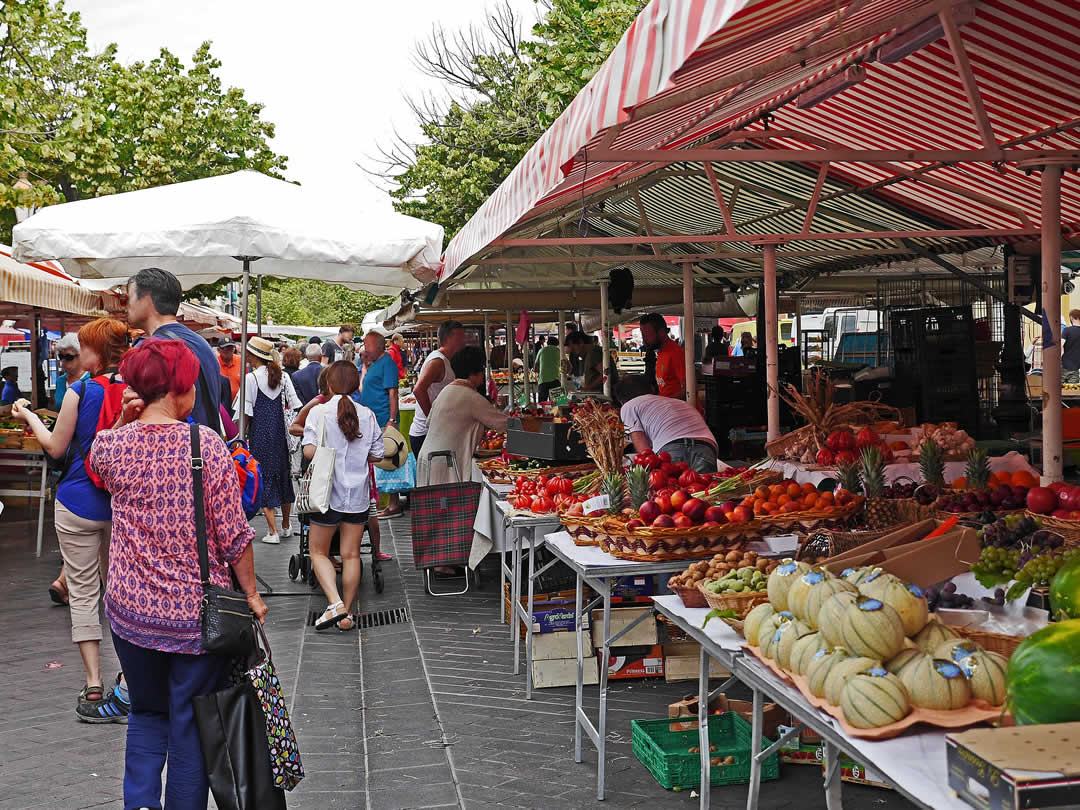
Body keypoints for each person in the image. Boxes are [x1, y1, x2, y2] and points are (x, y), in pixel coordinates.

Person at [89, 339, 266, 810]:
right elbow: (234, 534)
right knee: (190, 724)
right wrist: (251, 594)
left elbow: (96, 465)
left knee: (146, 713)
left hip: (130, 613)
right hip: (195, 618)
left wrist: (125, 421)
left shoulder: (112, 445)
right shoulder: (204, 444)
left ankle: (140, 803)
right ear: (178, 389)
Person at [14, 317, 132, 723]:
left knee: (83, 594)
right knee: (121, 593)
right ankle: (127, 678)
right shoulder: (140, 392)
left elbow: (56, 448)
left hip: (77, 503)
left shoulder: (79, 391)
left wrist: (29, 417)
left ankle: (94, 682)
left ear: (95, 351)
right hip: (123, 506)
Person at [302, 361, 385, 632]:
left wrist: (330, 452)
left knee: (318, 552)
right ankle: (347, 614)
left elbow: (308, 452)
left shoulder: (318, 412)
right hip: (357, 494)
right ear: (356, 385)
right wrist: (357, 454)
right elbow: (379, 454)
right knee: (351, 555)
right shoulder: (368, 414)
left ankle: (335, 602)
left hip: (327, 494)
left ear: (329, 384)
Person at [126, 267, 220, 430]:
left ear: (147, 300)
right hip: (202, 447)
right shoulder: (202, 344)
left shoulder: (152, 351)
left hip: (170, 449)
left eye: (129, 298)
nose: (126, 306)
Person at [236, 336, 302, 545]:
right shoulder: (283, 377)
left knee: (263, 477)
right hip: (281, 435)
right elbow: (294, 405)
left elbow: (245, 412)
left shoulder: (251, 379)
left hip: (261, 434)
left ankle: (272, 532)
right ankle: (285, 526)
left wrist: (239, 436)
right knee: (283, 476)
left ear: (254, 356)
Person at [417, 346, 509, 487]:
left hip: (427, 458)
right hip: (445, 462)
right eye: (482, 369)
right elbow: (503, 423)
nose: (483, 375)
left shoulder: (446, 391)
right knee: (449, 505)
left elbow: (429, 421)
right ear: (473, 372)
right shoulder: (471, 397)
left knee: (433, 506)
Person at [616, 375, 718, 473]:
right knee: (704, 489)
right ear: (651, 389)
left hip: (671, 447)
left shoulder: (629, 406)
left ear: (622, 401)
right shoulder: (679, 402)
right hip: (707, 447)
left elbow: (645, 452)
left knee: (672, 490)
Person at [640, 312, 685, 399]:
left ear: (661, 332)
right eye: (643, 336)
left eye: (647, 335)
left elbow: (689, 391)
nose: (644, 340)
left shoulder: (676, 353)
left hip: (678, 410)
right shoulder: (661, 352)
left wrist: (663, 403)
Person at [53, 333, 90, 409]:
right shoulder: (60, 381)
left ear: (81, 355)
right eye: (61, 356)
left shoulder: (91, 380)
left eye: (68, 357)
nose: (63, 360)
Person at [535, 335, 562, 402]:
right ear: (557, 344)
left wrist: (541, 372)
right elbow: (568, 366)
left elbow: (536, 368)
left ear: (547, 343)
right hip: (556, 381)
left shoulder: (541, 350)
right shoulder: (559, 351)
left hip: (543, 381)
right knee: (558, 404)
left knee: (542, 405)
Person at [1063, 309, 1080, 384]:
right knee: (1073, 391)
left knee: (1060, 391)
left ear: (1071, 318)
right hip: (1076, 369)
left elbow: (1061, 346)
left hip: (1064, 367)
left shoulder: (1067, 330)